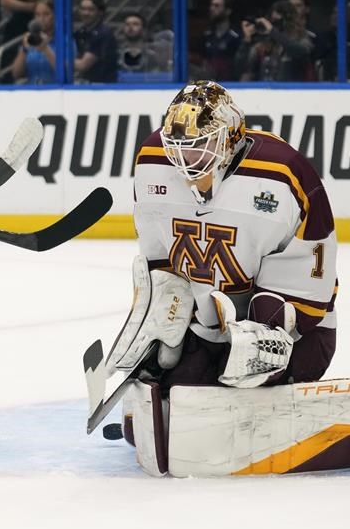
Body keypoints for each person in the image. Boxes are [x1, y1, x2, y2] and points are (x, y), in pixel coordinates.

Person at [128, 80, 337, 399]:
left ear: (230, 140)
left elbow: (311, 268)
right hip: (206, 327)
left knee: (257, 381)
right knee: (177, 392)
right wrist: (166, 312)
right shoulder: (153, 161)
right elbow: (159, 255)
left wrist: (270, 328)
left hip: (296, 331)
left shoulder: (283, 173)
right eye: (178, 146)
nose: (185, 157)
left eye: (200, 144)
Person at [12, 0, 64, 84]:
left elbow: (64, 72)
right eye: (38, 14)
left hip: (56, 91)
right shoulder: (30, 39)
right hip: (33, 91)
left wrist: (46, 49)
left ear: (55, 16)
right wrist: (24, 50)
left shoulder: (64, 41)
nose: (41, 19)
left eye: (46, 14)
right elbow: (16, 74)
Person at [73, 0, 118, 83]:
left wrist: (58, 58)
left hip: (104, 87)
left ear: (100, 12)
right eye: (83, 9)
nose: (86, 13)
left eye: (91, 9)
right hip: (86, 85)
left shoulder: (103, 33)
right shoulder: (80, 33)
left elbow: (83, 65)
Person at [200, 0, 240, 82]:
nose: (212, 8)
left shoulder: (236, 37)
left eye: (217, 6)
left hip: (231, 85)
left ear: (228, 11)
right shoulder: (207, 35)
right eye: (212, 5)